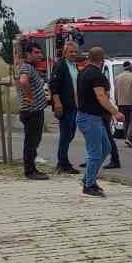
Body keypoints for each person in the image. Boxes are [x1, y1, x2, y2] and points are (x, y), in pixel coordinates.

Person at [76, 46, 124, 197]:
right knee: (95, 152)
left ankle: (88, 178)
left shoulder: (82, 72)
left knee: (105, 148)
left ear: (89, 58)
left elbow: (76, 94)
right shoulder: (97, 75)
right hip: (91, 118)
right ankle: (89, 185)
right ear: (102, 60)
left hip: (87, 116)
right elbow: (101, 96)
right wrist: (115, 112)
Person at [14, 44, 51, 180]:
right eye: (36, 52)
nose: (39, 55)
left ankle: (32, 168)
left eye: (40, 52)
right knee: (31, 142)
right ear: (28, 54)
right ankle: (29, 171)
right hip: (32, 111)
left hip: (35, 110)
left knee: (34, 141)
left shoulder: (30, 67)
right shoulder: (26, 67)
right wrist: (30, 96)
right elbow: (24, 81)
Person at [49, 40, 80, 174]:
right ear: (64, 52)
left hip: (75, 106)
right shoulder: (60, 65)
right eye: (71, 52)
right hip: (65, 106)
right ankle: (62, 163)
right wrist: (57, 103)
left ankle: (63, 161)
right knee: (66, 134)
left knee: (71, 133)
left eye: (75, 52)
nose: (73, 54)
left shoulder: (74, 66)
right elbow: (53, 85)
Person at [114, 61, 132, 148]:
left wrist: (117, 101)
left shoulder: (117, 77)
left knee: (125, 121)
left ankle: (126, 136)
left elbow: (116, 92)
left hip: (121, 103)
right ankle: (129, 138)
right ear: (130, 67)